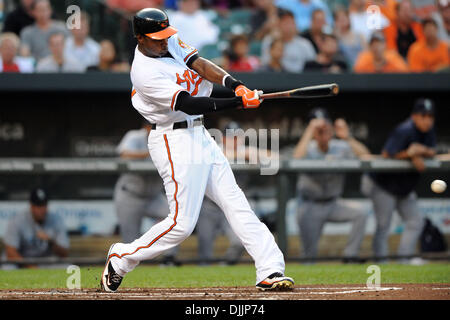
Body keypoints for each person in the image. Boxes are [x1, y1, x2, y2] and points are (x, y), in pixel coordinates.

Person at [100, 8, 294, 293]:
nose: (164, 41)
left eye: (165, 35)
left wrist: (236, 86)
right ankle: (121, 258)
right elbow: (189, 103)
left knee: (234, 201)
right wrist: (239, 102)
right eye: (156, 38)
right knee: (181, 224)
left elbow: (200, 64)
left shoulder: (169, 41)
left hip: (200, 134)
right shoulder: (143, 72)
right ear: (139, 38)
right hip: (172, 140)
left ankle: (269, 269)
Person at [361, 98, 436, 262]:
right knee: (383, 225)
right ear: (415, 116)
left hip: (404, 187)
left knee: (416, 221)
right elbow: (387, 153)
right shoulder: (405, 129)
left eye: (430, 116)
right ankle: (381, 262)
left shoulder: (428, 131)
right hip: (384, 185)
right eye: (424, 116)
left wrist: (419, 151)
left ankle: (405, 260)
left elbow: (432, 151)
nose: (428, 120)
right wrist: (409, 154)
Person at [293, 108, 369, 262]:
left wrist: (348, 137)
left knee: (360, 213)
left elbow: (366, 156)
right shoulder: (307, 147)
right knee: (308, 256)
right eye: (318, 128)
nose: (322, 130)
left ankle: (350, 256)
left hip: (333, 203)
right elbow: (296, 159)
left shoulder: (340, 146)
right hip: (310, 206)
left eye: (325, 126)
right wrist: (310, 130)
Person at [113, 121, 180, 265]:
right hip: (130, 195)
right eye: (153, 126)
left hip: (153, 197)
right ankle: (129, 268)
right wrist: (151, 152)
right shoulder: (135, 136)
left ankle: (169, 258)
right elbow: (124, 155)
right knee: (130, 239)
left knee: (176, 217)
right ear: (146, 128)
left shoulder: (170, 138)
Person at [3, 188, 69, 267]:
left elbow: (64, 254)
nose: (42, 209)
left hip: (45, 262)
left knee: (66, 266)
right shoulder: (18, 220)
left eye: (44, 205)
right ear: (31, 206)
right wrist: (31, 267)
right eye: (38, 206)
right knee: (8, 267)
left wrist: (51, 242)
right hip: (22, 261)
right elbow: (11, 252)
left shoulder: (56, 220)